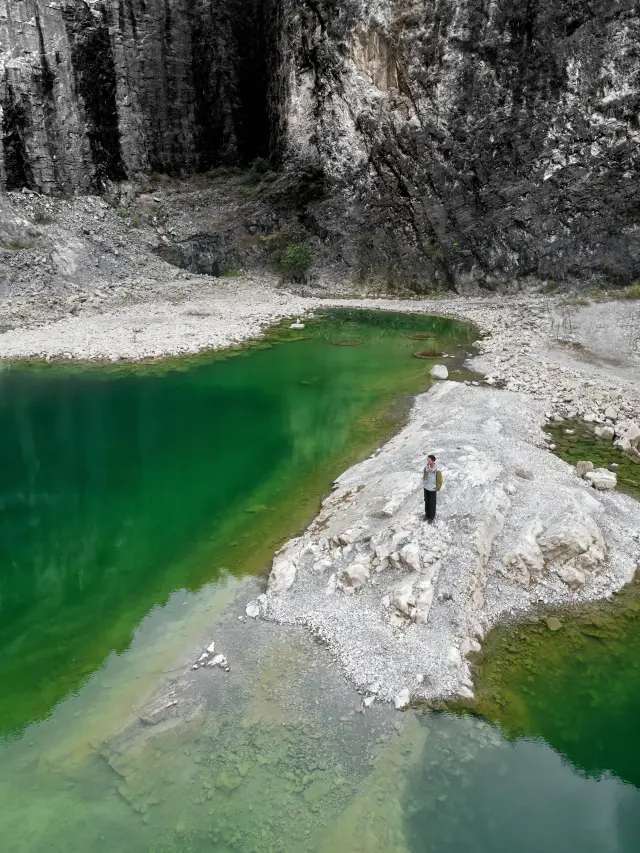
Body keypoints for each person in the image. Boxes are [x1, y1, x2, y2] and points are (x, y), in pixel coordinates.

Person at [423, 454, 442, 522]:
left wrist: (437, 488)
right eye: (427, 459)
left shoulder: (437, 470)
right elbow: (424, 476)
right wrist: (424, 484)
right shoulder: (426, 468)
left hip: (432, 489)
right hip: (426, 488)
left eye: (429, 460)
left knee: (432, 503)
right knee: (426, 502)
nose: (427, 461)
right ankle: (427, 515)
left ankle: (431, 517)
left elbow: (440, 481)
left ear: (433, 461)